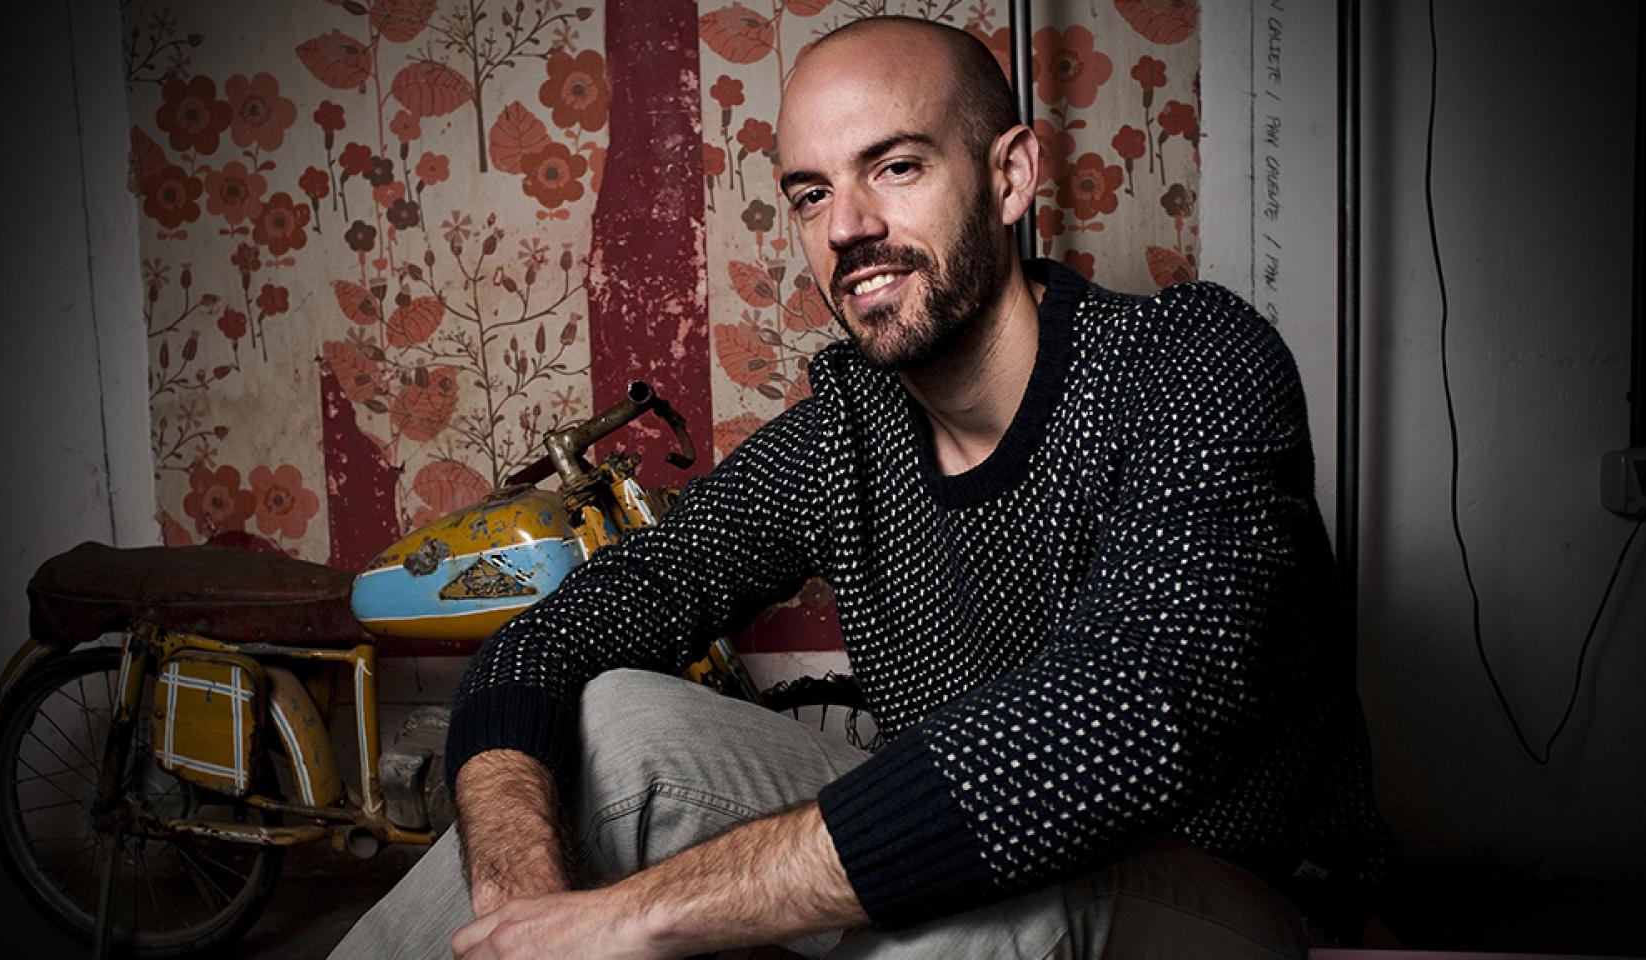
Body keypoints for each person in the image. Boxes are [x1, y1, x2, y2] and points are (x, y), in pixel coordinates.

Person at [334, 15, 1386, 960]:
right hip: (988, 875)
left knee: (1006, 900)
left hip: (1237, 899)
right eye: (810, 194)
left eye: (894, 167)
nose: (844, 228)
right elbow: (550, 641)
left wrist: (640, 916)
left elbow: (1125, 711)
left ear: (1010, 176)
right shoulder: (839, 439)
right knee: (612, 722)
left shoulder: (1189, 363)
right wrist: (518, 909)